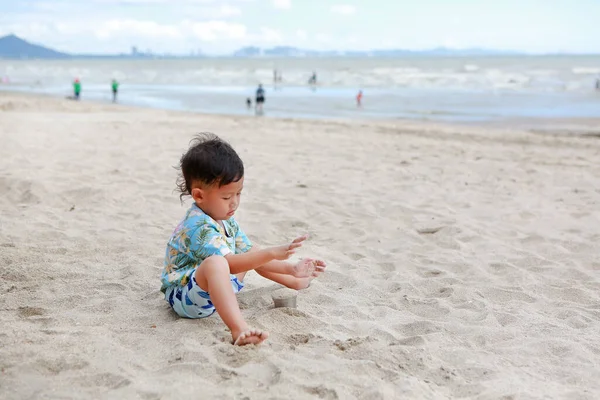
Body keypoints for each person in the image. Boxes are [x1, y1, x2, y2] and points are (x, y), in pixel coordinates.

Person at [161, 134, 326, 345]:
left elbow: (250, 255)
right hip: (186, 297)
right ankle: (239, 328)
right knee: (217, 262)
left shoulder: (226, 220)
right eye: (226, 197)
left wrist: (290, 267)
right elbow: (228, 264)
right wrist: (271, 252)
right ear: (199, 196)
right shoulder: (197, 227)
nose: (234, 203)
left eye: (238, 194)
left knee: (251, 251)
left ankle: (293, 279)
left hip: (215, 291)